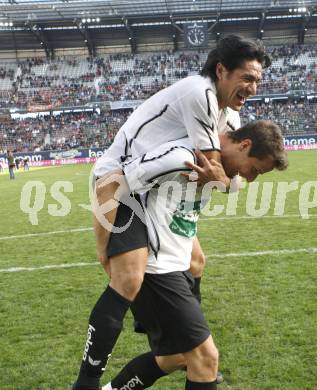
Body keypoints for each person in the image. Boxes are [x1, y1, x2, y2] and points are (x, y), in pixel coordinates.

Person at [72, 36, 271, 390]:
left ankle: (181, 343)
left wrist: (229, 181)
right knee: (128, 279)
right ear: (221, 71)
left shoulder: (229, 115)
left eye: (258, 80)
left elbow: (219, 171)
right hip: (122, 180)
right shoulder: (200, 93)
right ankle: (86, 382)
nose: (253, 87)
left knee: (196, 262)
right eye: (247, 77)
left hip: (150, 188)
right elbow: (210, 166)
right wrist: (102, 246)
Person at [100, 120, 288, 390]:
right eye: (254, 169)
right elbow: (112, 182)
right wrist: (104, 247)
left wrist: (223, 182)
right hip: (156, 269)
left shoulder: (225, 176)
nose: (249, 178)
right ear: (245, 145)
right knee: (205, 358)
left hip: (176, 266)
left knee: (173, 357)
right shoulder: (182, 158)